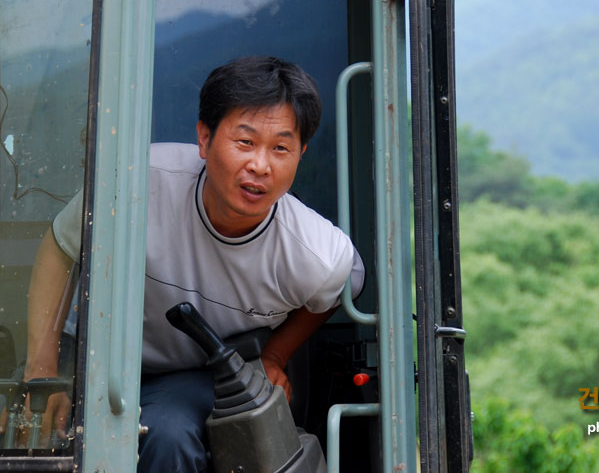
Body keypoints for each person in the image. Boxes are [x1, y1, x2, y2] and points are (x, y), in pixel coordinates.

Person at [19, 56, 363, 471]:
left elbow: (325, 299)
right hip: (97, 361)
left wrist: (274, 357)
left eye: (281, 148)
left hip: (200, 373)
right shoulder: (135, 182)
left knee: (167, 432)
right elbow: (60, 246)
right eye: (245, 142)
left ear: (301, 154)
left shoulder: (317, 253)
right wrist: (42, 370)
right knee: (14, 423)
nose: (260, 165)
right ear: (204, 139)